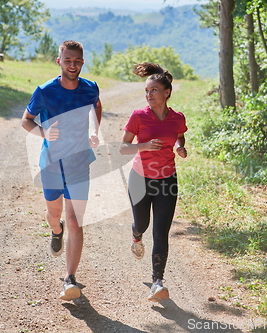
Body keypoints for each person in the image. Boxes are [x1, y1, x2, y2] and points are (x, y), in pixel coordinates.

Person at [21, 40, 102, 301]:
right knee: (54, 214)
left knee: (77, 220)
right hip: (52, 164)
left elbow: (96, 105)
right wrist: (44, 132)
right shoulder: (45, 91)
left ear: (82, 62)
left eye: (77, 61)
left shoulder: (90, 88)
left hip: (79, 163)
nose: (73, 65)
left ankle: (70, 278)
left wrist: (94, 130)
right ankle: (57, 230)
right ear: (59, 61)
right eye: (68, 60)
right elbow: (26, 120)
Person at [119, 62, 188, 302]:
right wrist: (144, 146)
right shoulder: (138, 117)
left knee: (161, 232)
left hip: (167, 180)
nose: (149, 95)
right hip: (140, 179)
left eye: (154, 90)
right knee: (143, 223)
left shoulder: (177, 118)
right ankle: (136, 235)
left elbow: (179, 135)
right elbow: (123, 148)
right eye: (146, 91)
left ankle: (157, 282)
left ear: (166, 92)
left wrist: (180, 147)